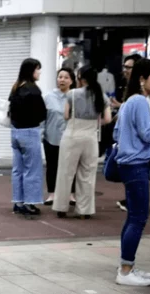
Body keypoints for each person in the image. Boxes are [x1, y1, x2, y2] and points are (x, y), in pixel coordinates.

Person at [113, 59, 150, 286]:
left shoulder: (128, 102)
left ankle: (127, 265)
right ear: (143, 78)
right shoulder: (140, 101)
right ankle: (125, 271)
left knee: (133, 216)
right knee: (138, 218)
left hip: (128, 164)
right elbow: (149, 135)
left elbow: (116, 133)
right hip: (136, 165)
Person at [52, 65, 112, 219]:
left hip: (72, 134)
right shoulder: (102, 96)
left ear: (80, 78)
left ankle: (61, 207)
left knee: (66, 172)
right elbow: (107, 119)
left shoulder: (72, 94)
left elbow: (66, 116)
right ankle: (84, 211)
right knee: (87, 175)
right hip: (91, 137)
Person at [9, 58, 47, 216]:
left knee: (18, 169)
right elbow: (42, 113)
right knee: (32, 169)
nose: (39, 72)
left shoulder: (16, 87)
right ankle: (30, 203)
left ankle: (18, 202)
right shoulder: (33, 90)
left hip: (15, 132)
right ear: (31, 70)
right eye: (37, 69)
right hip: (30, 131)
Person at [109, 54, 143, 211]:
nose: (125, 70)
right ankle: (132, 200)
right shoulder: (128, 86)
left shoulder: (141, 90)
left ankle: (134, 202)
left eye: (129, 67)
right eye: (124, 67)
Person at [43, 68, 77, 205]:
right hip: (51, 136)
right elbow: (42, 117)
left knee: (71, 166)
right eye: (60, 77)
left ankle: (71, 194)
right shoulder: (48, 97)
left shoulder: (75, 97)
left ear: (72, 81)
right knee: (52, 166)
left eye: (66, 77)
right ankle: (52, 194)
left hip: (71, 137)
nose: (62, 80)